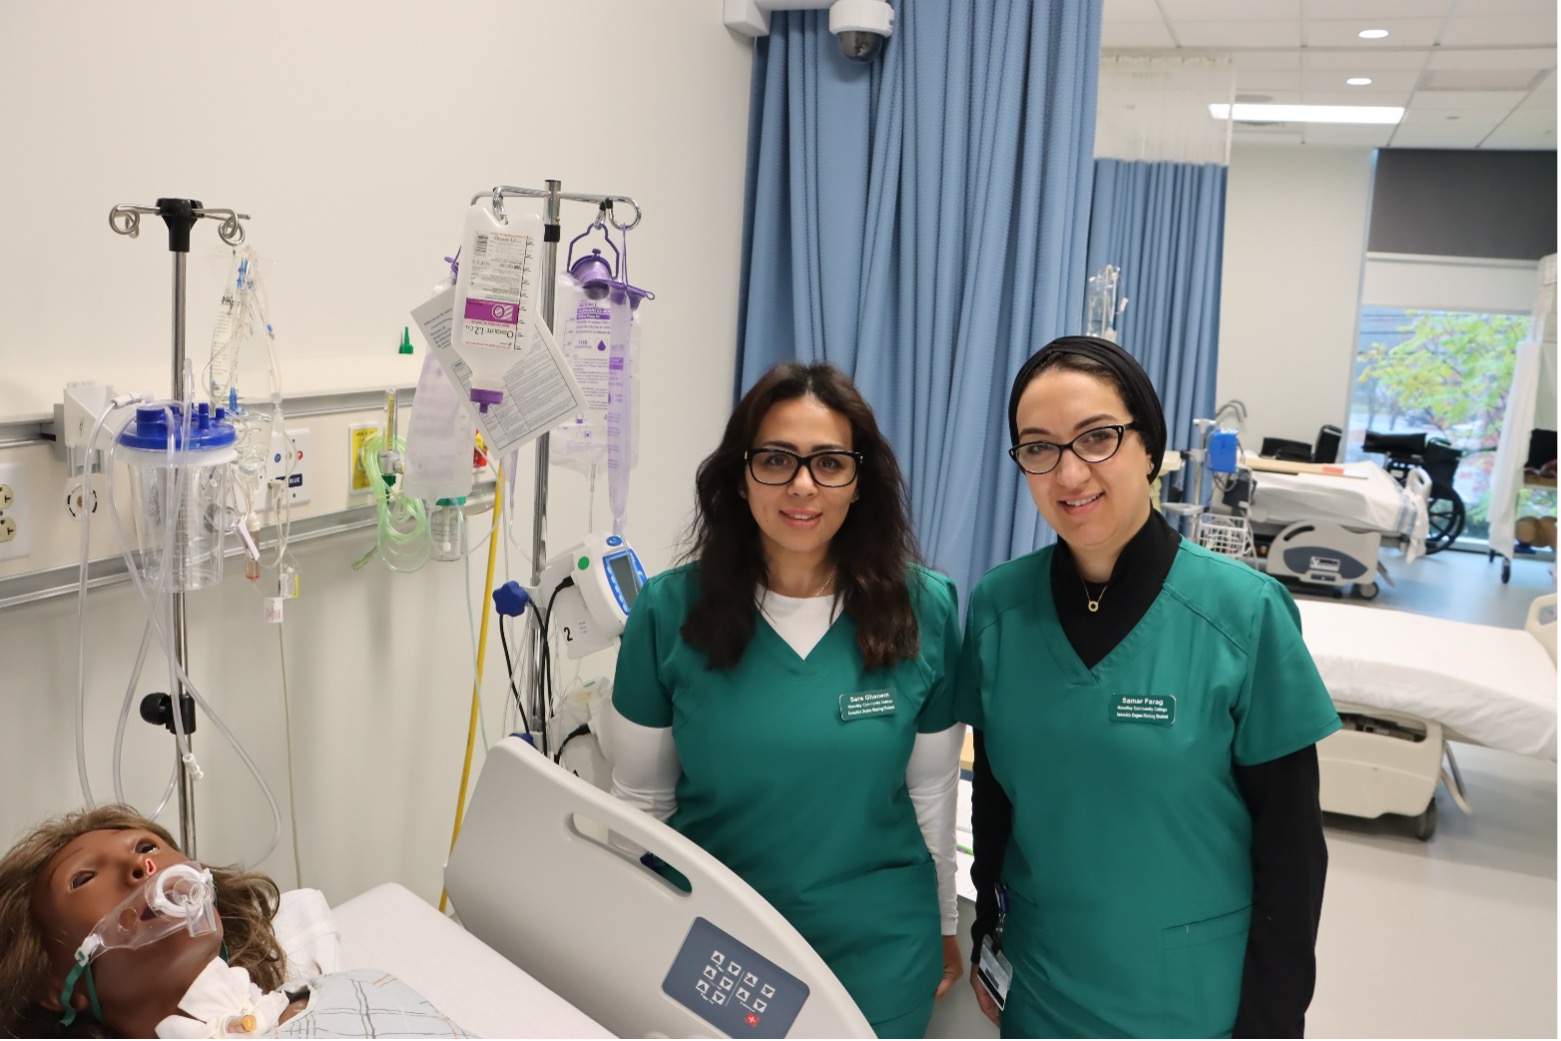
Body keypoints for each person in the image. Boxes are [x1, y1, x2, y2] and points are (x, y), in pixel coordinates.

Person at [956, 335, 1342, 1039]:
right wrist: (988, 922)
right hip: (1041, 986)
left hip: (1191, 998)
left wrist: (1271, 1019)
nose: (1069, 471)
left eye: (1097, 437)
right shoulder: (997, 607)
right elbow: (994, 792)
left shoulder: (1241, 612)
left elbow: (1290, 849)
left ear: (1148, 446)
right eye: (1038, 447)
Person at [608, 360, 964, 1037]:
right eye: (776, 459)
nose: (802, 485)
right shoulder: (668, 610)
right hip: (716, 941)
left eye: (829, 462)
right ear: (741, 476)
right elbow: (642, 807)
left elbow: (931, 795)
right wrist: (640, 930)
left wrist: (945, 920)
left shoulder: (925, 609)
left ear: (860, 480)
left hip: (877, 952)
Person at [0, 804, 467, 1038]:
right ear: (57, 982)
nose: (142, 869)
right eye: (84, 878)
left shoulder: (365, 987)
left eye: (147, 847)